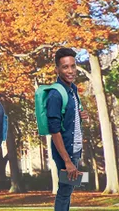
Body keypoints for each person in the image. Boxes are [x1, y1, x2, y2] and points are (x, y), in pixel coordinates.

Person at [47, 48, 87, 211]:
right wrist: (67, 162)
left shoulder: (73, 90)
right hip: (66, 151)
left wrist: (79, 115)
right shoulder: (56, 94)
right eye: (65, 67)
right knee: (64, 192)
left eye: (73, 66)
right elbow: (54, 131)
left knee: (68, 190)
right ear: (57, 69)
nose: (70, 70)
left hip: (75, 148)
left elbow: (68, 117)